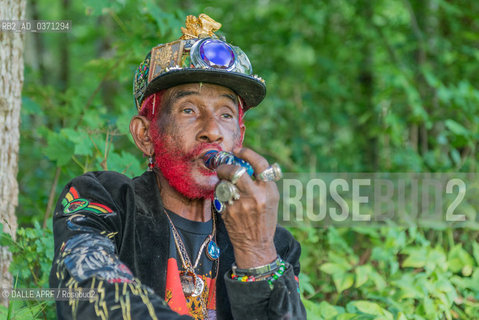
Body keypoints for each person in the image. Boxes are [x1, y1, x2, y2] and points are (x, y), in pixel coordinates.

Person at [50, 13, 306, 320]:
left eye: (225, 115)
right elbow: (90, 293)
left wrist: (256, 251)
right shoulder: (103, 200)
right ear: (146, 135)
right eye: (188, 110)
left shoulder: (276, 244)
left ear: (239, 137)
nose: (212, 130)